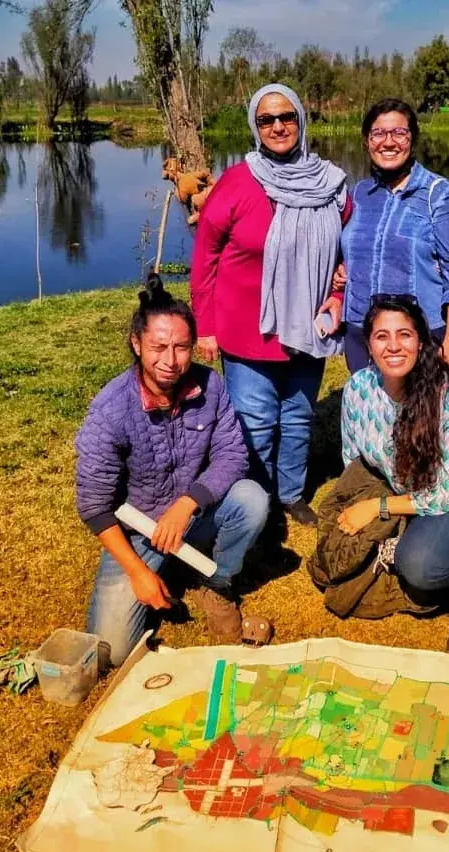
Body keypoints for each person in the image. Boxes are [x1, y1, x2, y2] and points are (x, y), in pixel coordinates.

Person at [75, 275, 270, 665]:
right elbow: (93, 506)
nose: (170, 360)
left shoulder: (210, 385)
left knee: (253, 499)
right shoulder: (110, 410)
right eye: (158, 347)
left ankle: (215, 581)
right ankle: (159, 568)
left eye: (181, 347)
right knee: (112, 651)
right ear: (136, 344)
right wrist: (137, 571)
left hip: (192, 514)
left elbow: (233, 454)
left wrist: (187, 504)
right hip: (139, 533)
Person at [191, 83, 349, 527]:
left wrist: (338, 291)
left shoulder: (331, 183)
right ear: (254, 127)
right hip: (247, 330)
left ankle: (291, 494)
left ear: (301, 120)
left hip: (309, 325)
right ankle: (253, 504)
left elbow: (347, 251)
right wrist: (205, 326)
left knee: (298, 416)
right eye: (267, 120)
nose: (278, 126)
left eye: (286, 117)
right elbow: (205, 257)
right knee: (255, 422)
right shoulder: (237, 182)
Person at [337, 294, 449, 609]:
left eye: (404, 334)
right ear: (368, 344)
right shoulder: (358, 389)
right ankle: (433, 536)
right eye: (382, 336)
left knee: (419, 568)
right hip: (408, 489)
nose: (393, 346)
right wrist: (356, 504)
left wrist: (378, 507)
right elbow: (354, 462)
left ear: (420, 341)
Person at [338, 98, 449, 374]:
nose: (388, 142)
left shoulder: (439, 194)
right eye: (378, 133)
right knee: (370, 414)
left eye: (399, 133)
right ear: (367, 141)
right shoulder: (359, 194)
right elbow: (349, 251)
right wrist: (339, 273)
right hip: (360, 331)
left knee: (418, 415)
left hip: (418, 336)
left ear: (413, 139)